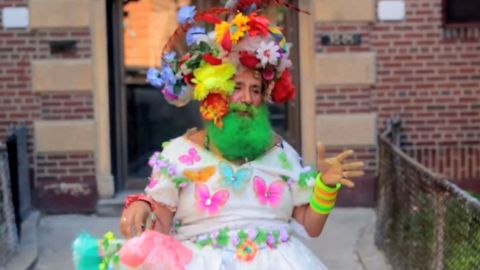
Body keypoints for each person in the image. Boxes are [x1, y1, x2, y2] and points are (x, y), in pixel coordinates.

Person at [118, 1, 365, 269]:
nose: (246, 98)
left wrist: (326, 187)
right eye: (236, 87)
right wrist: (142, 206)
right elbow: (160, 229)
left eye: (256, 89)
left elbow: (311, 226)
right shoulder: (179, 154)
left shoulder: (281, 154)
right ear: (215, 90)